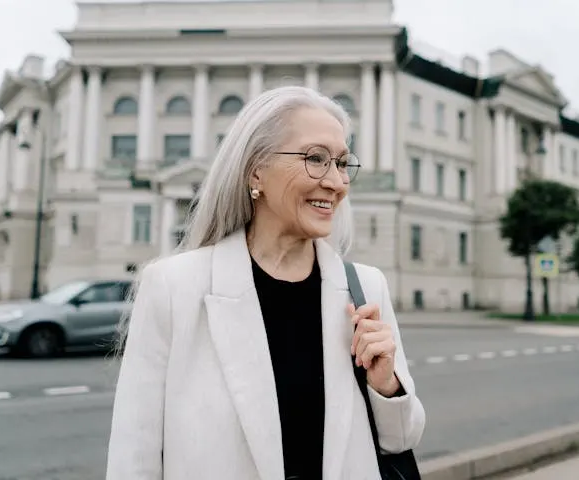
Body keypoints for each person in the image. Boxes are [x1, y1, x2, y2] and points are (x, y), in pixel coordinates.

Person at [106, 86, 425, 480]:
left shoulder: (364, 287)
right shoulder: (172, 288)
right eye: (316, 159)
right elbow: (133, 457)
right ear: (256, 170)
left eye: (342, 163)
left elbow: (401, 439)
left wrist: (386, 386)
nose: (336, 182)